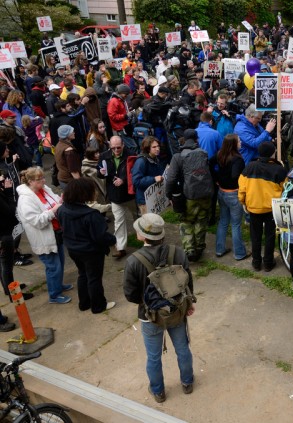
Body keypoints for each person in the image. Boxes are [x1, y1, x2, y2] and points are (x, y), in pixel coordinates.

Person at [123, 213, 195, 403]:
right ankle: (187, 383)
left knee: (153, 357)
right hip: (177, 310)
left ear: (142, 236)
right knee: (183, 349)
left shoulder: (133, 261)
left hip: (150, 316)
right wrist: (189, 304)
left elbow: (130, 295)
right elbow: (188, 280)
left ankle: (158, 391)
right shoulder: (178, 252)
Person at [57, 178, 117, 313]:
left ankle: (84, 303)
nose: (95, 192)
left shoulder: (62, 209)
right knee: (94, 278)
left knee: (83, 274)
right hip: (91, 252)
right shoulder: (91, 215)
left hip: (73, 249)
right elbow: (100, 236)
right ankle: (98, 306)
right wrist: (113, 239)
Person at [16, 167, 73, 304]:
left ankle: (58, 285)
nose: (43, 180)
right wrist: (54, 210)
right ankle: (54, 295)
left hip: (56, 233)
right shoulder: (25, 200)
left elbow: (55, 200)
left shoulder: (44, 189)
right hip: (44, 239)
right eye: (39, 179)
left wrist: (61, 200)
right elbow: (37, 221)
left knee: (60, 261)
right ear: (30, 181)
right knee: (53, 267)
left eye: (43, 177)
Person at [165, 129, 213, 262]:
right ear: (196, 139)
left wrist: (169, 194)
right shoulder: (203, 153)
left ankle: (190, 249)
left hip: (189, 195)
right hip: (205, 194)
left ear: (184, 140)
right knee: (201, 220)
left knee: (186, 221)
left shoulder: (178, 157)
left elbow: (171, 179)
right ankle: (200, 246)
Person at [238, 142, 287, 271]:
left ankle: (256, 262)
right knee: (270, 235)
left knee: (255, 235)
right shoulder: (279, 169)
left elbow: (242, 189)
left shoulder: (249, 167)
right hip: (271, 209)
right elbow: (286, 189)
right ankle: (268, 263)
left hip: (254, 207)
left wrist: (243, 202)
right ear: (272, 153)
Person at [97, 135, 136, 259]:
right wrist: (101, 173)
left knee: (138, 217)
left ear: (123, 145)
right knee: (119, 222)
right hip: (114, 195)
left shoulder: (131, 155)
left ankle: (146, 240)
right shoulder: (104, 156)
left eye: (118, 148)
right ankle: (120, 247)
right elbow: (99, 172)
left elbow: (134, 172)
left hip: (129, 195)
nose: (116, 150)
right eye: (113, 148)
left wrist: (123, 179)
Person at [0, 171, 34, 301]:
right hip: (4, 236)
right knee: (7, 267)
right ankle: (14, 295)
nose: (4, 181)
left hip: (4, 234)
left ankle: (8, 289)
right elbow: (9, 211)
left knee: (3, 266)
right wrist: (8, 193)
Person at [215, 134, 247, 260]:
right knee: (235, 224)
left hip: (221, 192)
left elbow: (212, 164)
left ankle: (219, 249)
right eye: (239, 141)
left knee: (223, 221)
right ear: (233, 144)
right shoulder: (237, 159)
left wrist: (218, 179)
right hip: (233, 194)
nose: (241, 142)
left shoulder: (220, 154)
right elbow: (235, 175)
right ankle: (239, 253)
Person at [132, 136, 166, 215]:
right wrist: (153, 179)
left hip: (154, 198)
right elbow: (136, 181)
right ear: (147, 149)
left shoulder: (156, 158)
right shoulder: (141, 161)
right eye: (154, 147)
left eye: (158, 146)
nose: (157, 149)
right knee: (149, 225)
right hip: (144, 201)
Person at [53, 125, 82, 189]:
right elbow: (73, 170)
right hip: (69, 181)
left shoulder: (59, 144)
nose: (74, 133)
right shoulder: (69, 151)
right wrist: (80, 184)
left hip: (62, 178)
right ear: (67, 134)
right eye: (72, 132)